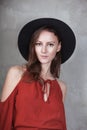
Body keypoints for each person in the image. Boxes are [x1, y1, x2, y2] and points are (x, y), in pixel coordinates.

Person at [0, 18, 76, 130]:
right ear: (33, 46)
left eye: (50, 44)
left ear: (58, 47)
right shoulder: (16, 73)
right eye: (39, 44)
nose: (43, 50)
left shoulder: (61, 87)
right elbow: (4, 118)